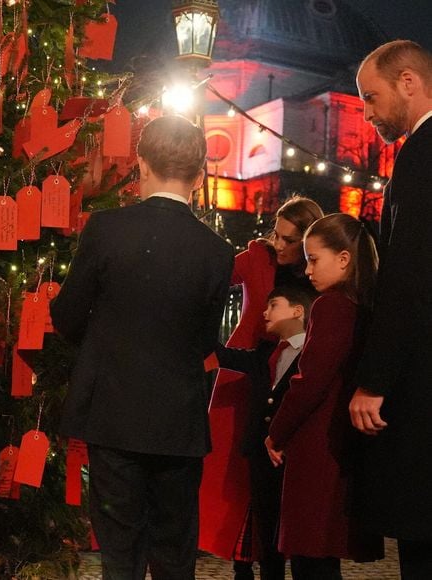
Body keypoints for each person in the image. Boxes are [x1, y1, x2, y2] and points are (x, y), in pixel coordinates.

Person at [50, 114, 234, 580]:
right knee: (174, 554)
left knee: (120, 554)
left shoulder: (107, 229)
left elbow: (68, 316)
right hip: (178, 419)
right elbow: (205, 339)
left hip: (112, 411)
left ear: (141, 163)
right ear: (199, 173)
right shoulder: (216, 250)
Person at [198, 196, 323, 580]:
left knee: (280, 477)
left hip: (293, 377)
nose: (279, 245)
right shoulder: (258, 257)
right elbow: (213, 275)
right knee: (235, 470)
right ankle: (241, 561)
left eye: (289, 240)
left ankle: (277, 559)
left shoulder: (318, 275)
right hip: (245, 372)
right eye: (277, 234)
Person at [350, 39, 432, 578]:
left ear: (408, 82)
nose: (368, 113)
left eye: (371, 97)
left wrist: (373, 379)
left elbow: (408, 273)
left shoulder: (421, 154)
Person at [265, 213, 383, 579]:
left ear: (344, 258)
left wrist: (276, 431)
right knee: (321, 557)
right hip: (341, 445)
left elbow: (309, 380)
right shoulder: (362, 307)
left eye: (314, 259)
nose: (308, 270)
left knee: (310, 557)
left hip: (316, 446)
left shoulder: (331, 307)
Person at [214, 286, 315, 580]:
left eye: (274, 305)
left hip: (293, 461)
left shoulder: (313, 352)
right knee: (267, 537)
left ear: (297, 311)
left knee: (299, 542)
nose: (265, 312)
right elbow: (225, 356)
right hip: (261, 458)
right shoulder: (266, 352)